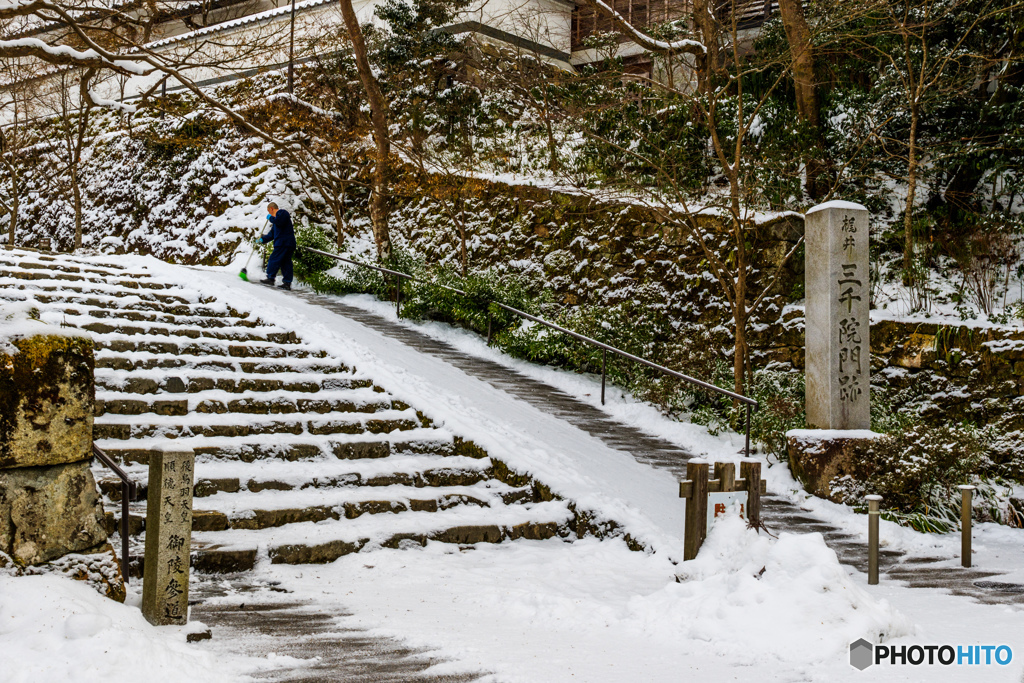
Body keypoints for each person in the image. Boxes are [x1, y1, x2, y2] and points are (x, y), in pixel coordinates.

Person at [259, 202, 296, 290]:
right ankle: (287, 282)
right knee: (285, 262)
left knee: (274, 259)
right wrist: (263, 239)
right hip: (286, 243)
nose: (269, 213)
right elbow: (272, 234)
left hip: (283, 243)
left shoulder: (282, 213)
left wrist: (270, 218)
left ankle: (270, 278)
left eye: (269, 211)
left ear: (272, 209)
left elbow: (279, 221)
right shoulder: (276, 222)